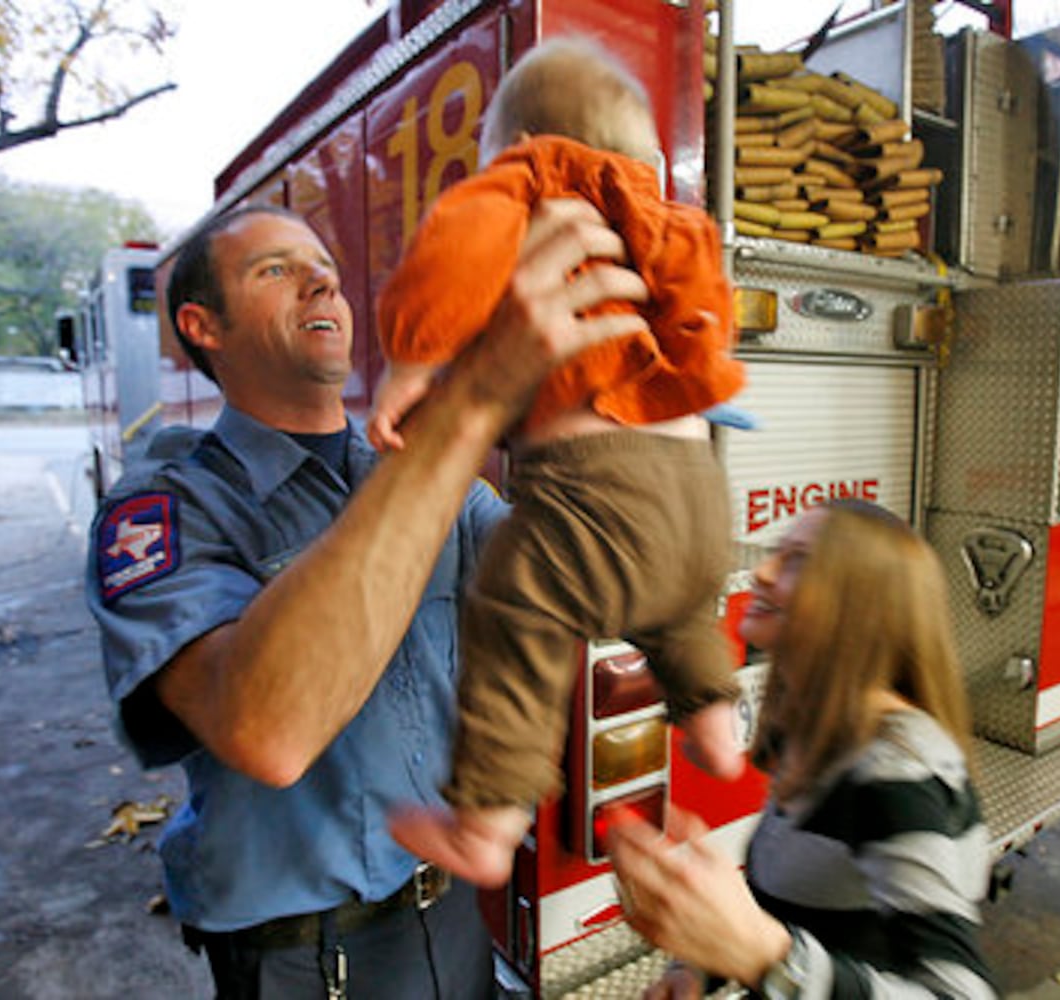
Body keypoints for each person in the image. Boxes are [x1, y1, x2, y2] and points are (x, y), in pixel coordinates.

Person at [85, 198, 655, 998]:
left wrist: (612, 398)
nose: (320, 281)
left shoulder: (420, 478)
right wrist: (471, 400)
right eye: (276, 269)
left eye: (324, 268)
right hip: (306, 953)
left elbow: (594, 585)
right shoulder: (172, 506)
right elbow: (268, 732)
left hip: (449, 910)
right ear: (203, 326)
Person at [376, 37, 748, 889]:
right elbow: (707, 322)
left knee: (514, 609)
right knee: (683, 615)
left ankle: (489, 821)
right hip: (697, 497)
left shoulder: (530, 180)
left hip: (596, 492)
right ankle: (718, 728)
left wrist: (412, 360)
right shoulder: (664, 216)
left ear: (517, 142)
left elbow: (453, 258)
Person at [609, 499, 998, 999]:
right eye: (776, 553)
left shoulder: (893, 773)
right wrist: (698, 968)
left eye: (797, 561)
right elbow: (800, 905)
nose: (762, 573)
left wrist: (766, 959)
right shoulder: (815, 731)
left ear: (860, 607)